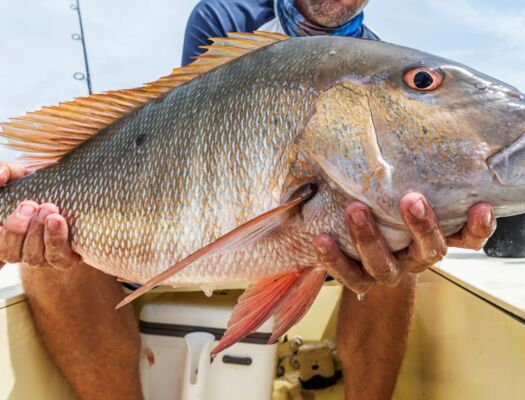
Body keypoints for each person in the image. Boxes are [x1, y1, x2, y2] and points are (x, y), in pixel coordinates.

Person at [0, 1, 496, 399]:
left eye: (423, 83)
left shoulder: (381, 58)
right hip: (192, 215)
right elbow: (178, 119)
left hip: (315, 230)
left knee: (397, 252)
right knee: (48, 249)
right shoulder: (224, 15)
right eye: (425, 84)